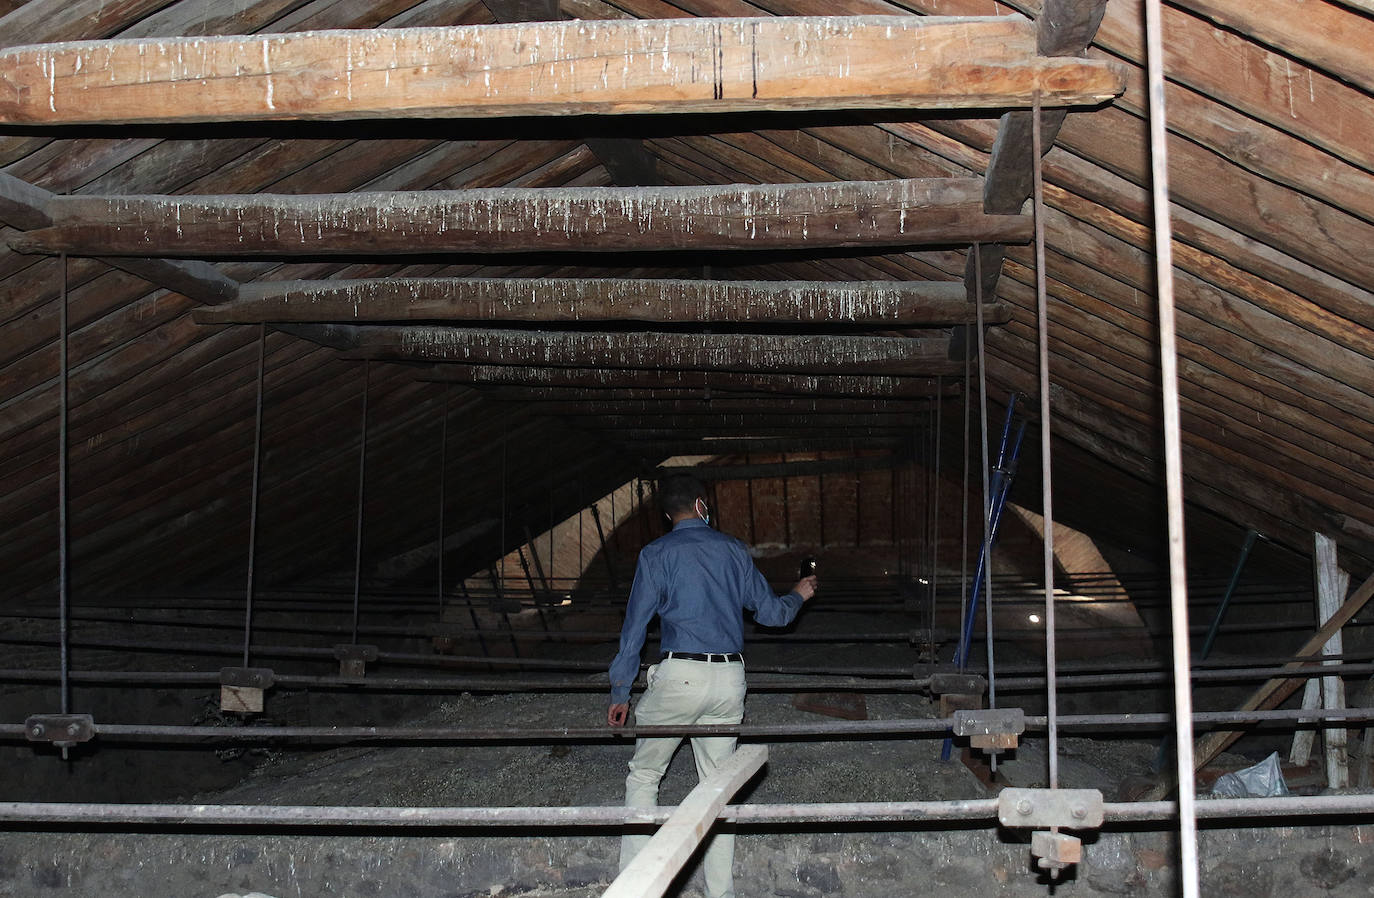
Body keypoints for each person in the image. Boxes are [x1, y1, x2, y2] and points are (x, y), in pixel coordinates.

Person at [606, 473, 817, 898]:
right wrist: (798, 593)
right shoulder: (732, 550)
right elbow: (774, 616)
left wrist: (620, 691)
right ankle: (721, 893)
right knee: (718, 789)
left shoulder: (655, 554)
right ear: (703, 505)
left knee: (645, 775)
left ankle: (634, 886)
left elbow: (633, 633)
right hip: (728, 679)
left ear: (669, 515)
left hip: (679, 675)